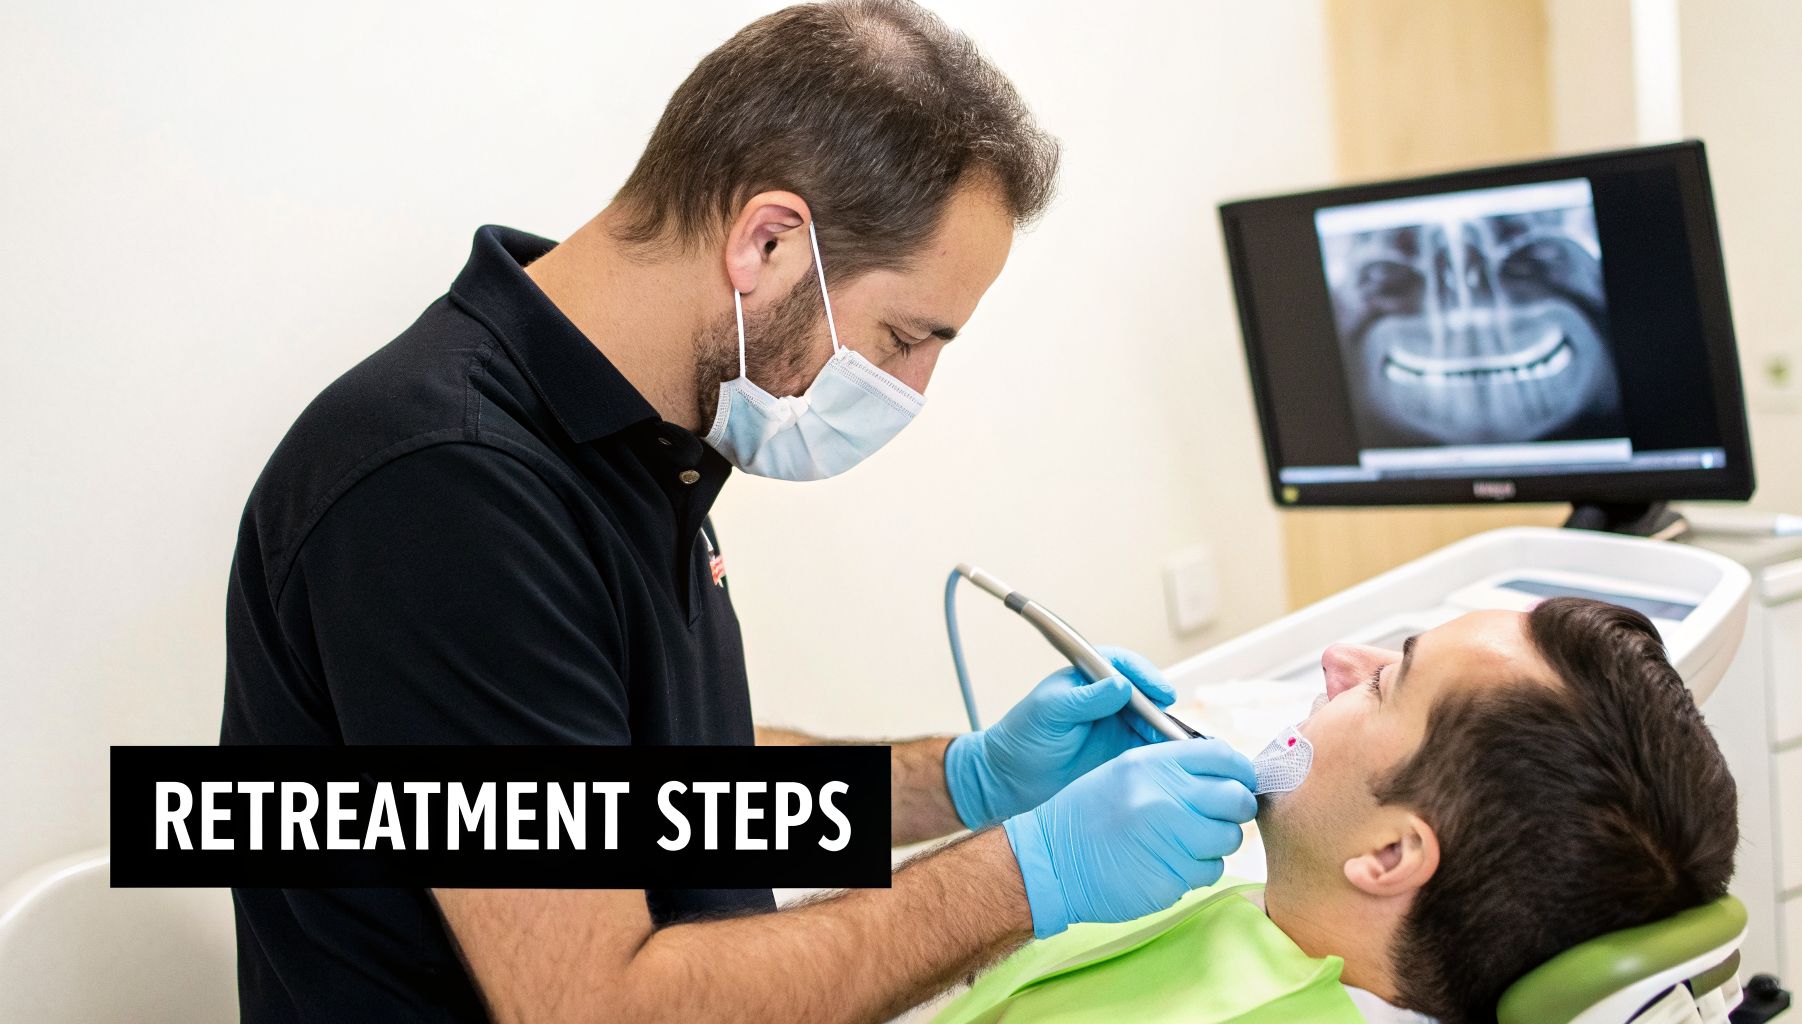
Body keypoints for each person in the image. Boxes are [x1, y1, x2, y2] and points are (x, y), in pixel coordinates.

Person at [220, 2, 1258, 1020]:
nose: (913, 387)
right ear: (765, 242)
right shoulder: (443, 490)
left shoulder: (644, 436)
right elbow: (593, 1005)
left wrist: (968, 779)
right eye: (904, 337)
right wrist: (1026, 875)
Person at [932, 597, 1740, 1024]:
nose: (1340, 662)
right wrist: (966, 790)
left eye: (1386, 683)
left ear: (1389, 856)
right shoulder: (1254, 907)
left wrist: (1012, 873)